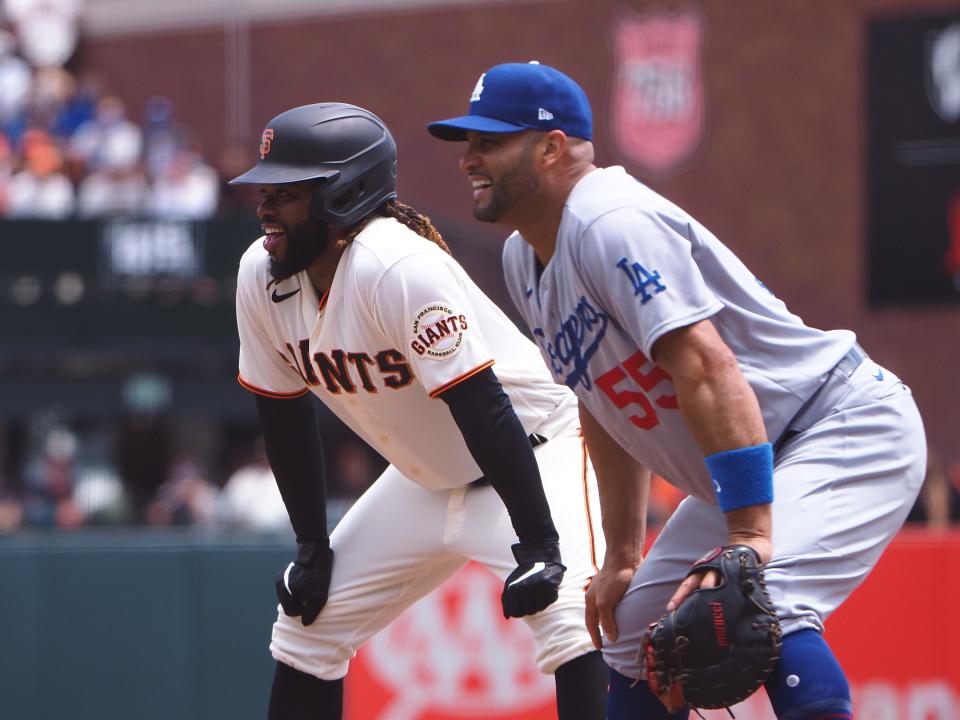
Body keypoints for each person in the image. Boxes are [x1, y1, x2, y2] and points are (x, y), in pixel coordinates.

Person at [428, 61, 927, 719]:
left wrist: (749, 532)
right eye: (469, 143)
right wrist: (623, 554)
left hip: (837, 425)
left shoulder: (609, 221)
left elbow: (706, 367)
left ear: (550, 148)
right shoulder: (526, 257)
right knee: (634, 634)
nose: (469, 159)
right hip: (754, 458)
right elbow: (600, 403)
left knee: (756, 596)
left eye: (488, 141)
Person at [229, 102, 608, 720]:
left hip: (540, 453)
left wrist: (538, 541)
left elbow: (484, 410)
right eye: (265, 190)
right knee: (307, 628)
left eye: (286, 192)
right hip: (426, 480)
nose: (265, 207)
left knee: (571, 619)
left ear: (342, 195)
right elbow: (283, 416)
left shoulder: (396, 265)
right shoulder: (261, 275)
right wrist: (310, 545)